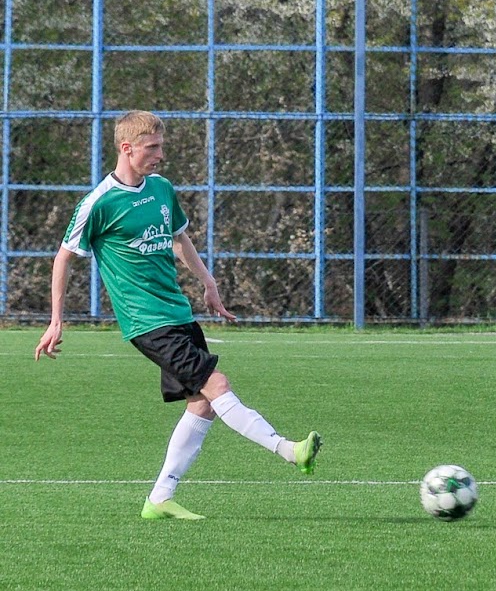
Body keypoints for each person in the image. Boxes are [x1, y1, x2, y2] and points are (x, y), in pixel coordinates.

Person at [34, 110, 322, 521]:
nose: (160, 155)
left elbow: (179, 238)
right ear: (126, 147)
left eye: (162, 146)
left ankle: (159, 499)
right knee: (217, 384)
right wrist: (56, 319)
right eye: (152, 148)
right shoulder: (98, 203)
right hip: (146, 322)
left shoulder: (162, 190)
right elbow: (63, 258)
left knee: (202, 404)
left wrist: (208, 283)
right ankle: (290, 451)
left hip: (178, 313)